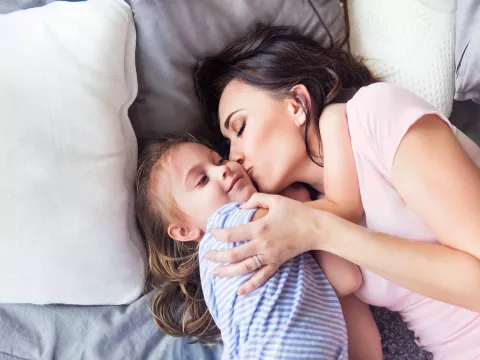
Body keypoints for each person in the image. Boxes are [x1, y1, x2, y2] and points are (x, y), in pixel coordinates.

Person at [194, 24, 480, 359]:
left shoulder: (374, 114)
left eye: (240, 127)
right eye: (228, 144)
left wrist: (322, 231)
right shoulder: (302, 220)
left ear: (297, 104)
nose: (235, 157)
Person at [135, 135, 382, 359]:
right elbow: (321, 212)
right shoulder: (223, 227)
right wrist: (297, 197)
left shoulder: (271, 243)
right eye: (202, 180)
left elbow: (347, 279)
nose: (223, 170)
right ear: (184, 231)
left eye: (219, 160)